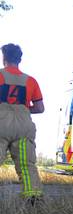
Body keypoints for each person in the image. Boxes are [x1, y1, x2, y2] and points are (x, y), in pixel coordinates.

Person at [0, 43, 45, 201]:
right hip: (23, 125)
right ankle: (33, 200)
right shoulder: (31, 81)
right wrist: (23, 108)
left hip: (1, 123)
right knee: (27, 166)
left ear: (4, 58)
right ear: (19, 59)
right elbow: (40, 108)